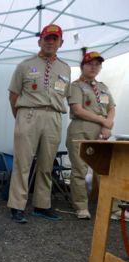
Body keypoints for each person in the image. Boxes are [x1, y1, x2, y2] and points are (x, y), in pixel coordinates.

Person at [7, 24, 71, 224]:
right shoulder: (25, 65)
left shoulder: (65, 68)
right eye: (47, 38)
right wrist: (21, 119)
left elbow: (66, 96)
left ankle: (42, 205)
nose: (50, 42)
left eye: (55, 39)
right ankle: (17, 206)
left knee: (46, 164)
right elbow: (13, 96)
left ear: (61, 42)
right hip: (29, 115)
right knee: (22, 163)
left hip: (53, 117)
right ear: (39, 41)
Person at [66, 52, 116, 219]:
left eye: (97, 64)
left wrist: (107, 124)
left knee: (103, 169)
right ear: (82, 66)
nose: (94, 67)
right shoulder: (76, 86)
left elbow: (111, 107)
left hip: (101, 132)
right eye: (90, 64)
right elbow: (78, 110)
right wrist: (104, 121)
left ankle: (111, 207)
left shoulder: (103, 87)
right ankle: (81, 206)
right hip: (81, 129)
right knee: (79, 169)